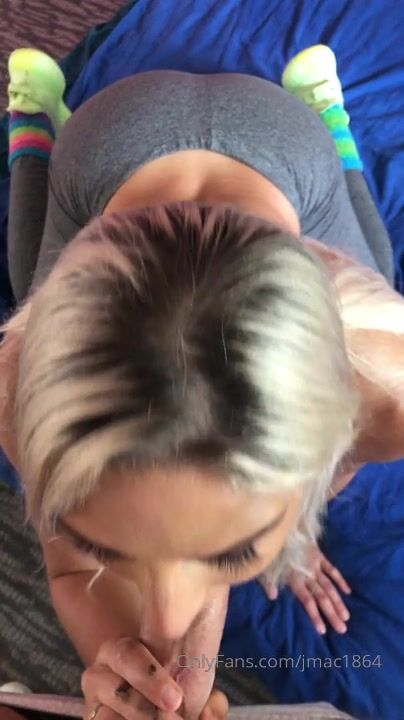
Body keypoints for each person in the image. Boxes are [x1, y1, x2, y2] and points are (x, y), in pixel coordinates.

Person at [1, 44, 404, 720]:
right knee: (28, 286)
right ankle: (31, 123)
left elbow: (334, 459)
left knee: (377, 264)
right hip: (110, 135)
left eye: (235, 551)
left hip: (255, 133)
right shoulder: (16, 391)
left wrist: (296, 529)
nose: (164, 622)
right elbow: (71, 568)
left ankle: (328, 118)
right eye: (106, 544)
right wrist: (135, 667)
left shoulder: (387, 392)